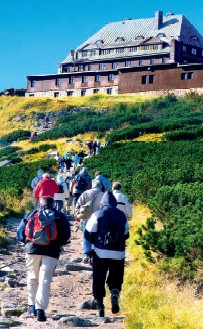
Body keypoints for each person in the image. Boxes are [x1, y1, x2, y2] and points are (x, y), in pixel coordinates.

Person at [20, 196, 71, 322]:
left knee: (32, 277)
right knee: (45, 280)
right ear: (53, 204)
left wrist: (26, 243)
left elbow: (20, 233)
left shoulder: (31, 214)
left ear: (39, 203)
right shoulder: (59, 215)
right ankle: (40, 310)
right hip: (51, 251)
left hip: (32, 250)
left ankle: (31, 306)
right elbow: (66, 235)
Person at [84, 191, 129, 317]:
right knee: (116, 277)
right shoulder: (122, 215)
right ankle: (115, 292)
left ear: (102, 203)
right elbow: (126, 235)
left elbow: (88, 234)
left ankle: (100, 305)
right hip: (118, 254)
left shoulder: (98, 214)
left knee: (99, 278)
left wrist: (96, 244)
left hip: (100, 252)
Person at [75, 179, 104, 263]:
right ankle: (94, 254)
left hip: (86, 218)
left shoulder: (85, 193)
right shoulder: (103, 195)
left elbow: (78, 204)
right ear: (100, 186)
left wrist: (76, 215)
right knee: (97, 237)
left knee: (86, 236)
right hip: (99, 219)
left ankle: (86, 254)